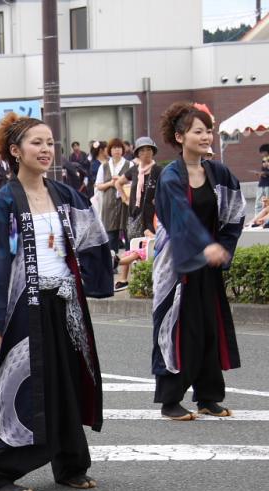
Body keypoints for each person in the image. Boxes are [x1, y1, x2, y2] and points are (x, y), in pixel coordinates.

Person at [0, 112, 112, 491]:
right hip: (20, 307)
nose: (46, 150)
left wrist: (97, 277)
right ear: (16, 151)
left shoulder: (64, 195)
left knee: (67, 381)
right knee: (14, 384)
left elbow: (92, 238)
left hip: (64, 304)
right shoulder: (5, 202)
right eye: (36, 143)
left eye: (49, 143)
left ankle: (70, 463)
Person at [151, 102, 245, 421]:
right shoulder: (170, 176)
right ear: (180, 137)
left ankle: (207, 396)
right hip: (176, 263)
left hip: (208, 263)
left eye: (208, 130)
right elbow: (180, 217)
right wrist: (205, 247)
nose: (206, 136)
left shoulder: (217, 172)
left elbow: (235, 213)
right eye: (198, 131)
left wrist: (223, 247)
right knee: (179, 329)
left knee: (209, 327)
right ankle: (169, 400)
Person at [112, 137, 163, 291]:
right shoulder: (134, 170)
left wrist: (159, 200)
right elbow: (118, 183)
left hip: (152, 215)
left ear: (153, 152)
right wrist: (125, 198)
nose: (145, 153)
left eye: (148, 149)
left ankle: (145, 279)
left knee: (149, 247)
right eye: (142, 150)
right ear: (137, 153)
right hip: (134, 214)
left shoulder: (159, 170)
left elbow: (167, 189)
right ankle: (123, 278)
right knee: (131, 245)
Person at [95, 138, 133, 256]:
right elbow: (98, 186)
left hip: (125, 202)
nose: (117, 150)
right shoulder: (104, 166)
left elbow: (134, 184)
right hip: (109, 204)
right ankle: (113, 263)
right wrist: (111, 183)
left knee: (128, 233)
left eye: (119, 148)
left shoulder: (129, 164)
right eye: (114, 148)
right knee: (111, 234)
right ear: (110, 151)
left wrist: (121, 182)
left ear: (123, 150)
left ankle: (130, 260)